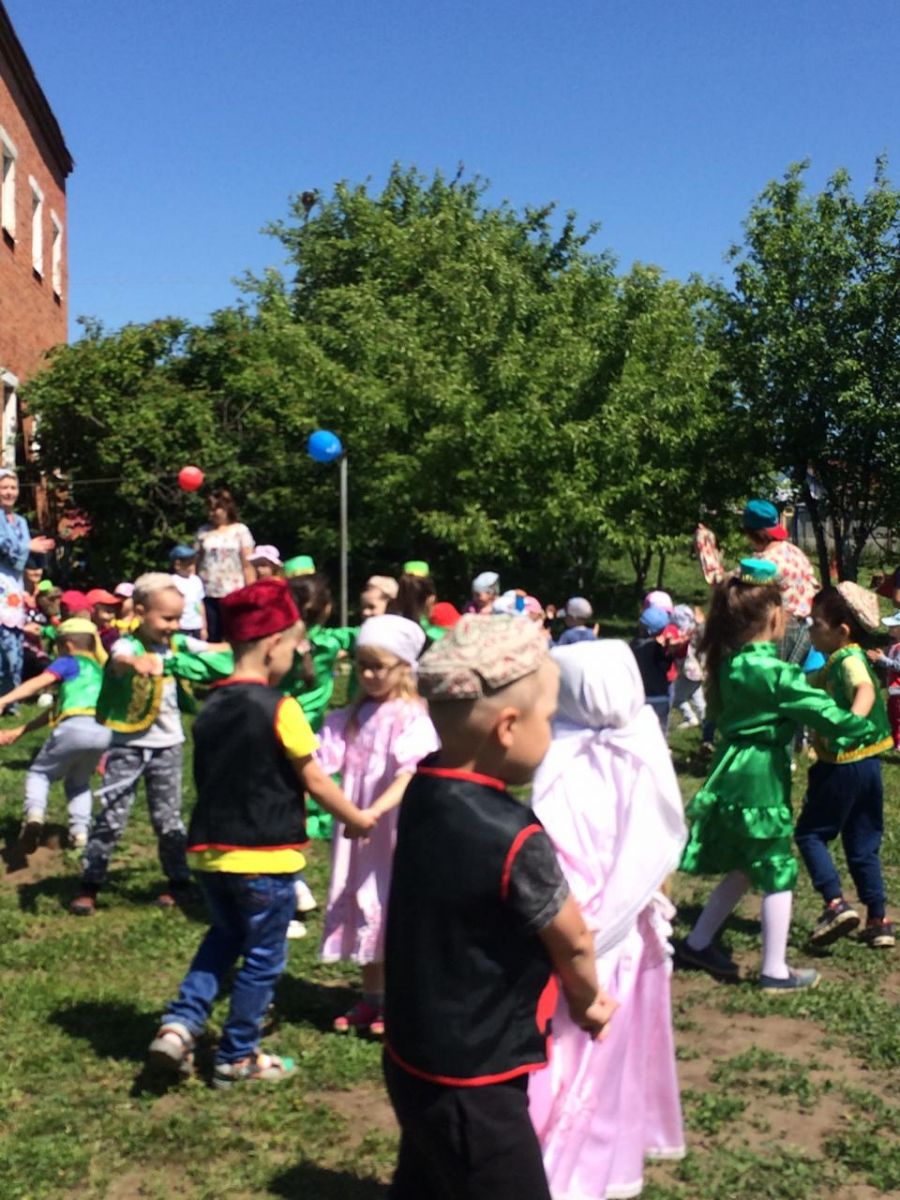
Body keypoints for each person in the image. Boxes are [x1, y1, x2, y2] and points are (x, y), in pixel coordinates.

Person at [383, 615, 617, 1200]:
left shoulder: (421, 789)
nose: (551, 730)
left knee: (429, 1177)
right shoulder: (514, 835)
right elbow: (573, 939)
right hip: (477, 1078)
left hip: (411, 1051)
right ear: (508, 727)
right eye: (549, 718)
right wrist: (589, 1001)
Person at [146, 577, 377, 1088]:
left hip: (210, 854)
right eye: (295, 646)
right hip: (264, 856)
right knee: (264, 957)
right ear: (274, 645)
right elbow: (316, 779)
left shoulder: (210, 705)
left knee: (224, 936)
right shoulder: (282, 708)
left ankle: (179, 1025)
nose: (297, 656)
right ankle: (237, 1054)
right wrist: (357, 818)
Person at [529, 641, 687, 1200]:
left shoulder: (559, 751)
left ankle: (559, 1160)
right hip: (621, 933)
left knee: (570, 1047)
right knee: (602, 1050)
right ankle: (582, 1160)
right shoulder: (641, 742)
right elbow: (661, 844)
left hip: (574, 927)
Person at [676, 560, 877, 992]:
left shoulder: (731, 662)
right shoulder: (773, 672)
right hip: (759, 774)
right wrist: (862, 725)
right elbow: (819, 710)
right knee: (776, 865)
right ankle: (773, 970)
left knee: (747, 864)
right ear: (772, 618)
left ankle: (697, 942)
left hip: (735, 765)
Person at [69, 573, 231, 916]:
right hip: (127, 746)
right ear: (141, 612)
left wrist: (246, 646)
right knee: (112, 815)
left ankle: (179, 881)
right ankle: (90, 882)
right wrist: (134, 663)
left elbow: (214, 650)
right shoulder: (128, 645)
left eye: (178, 618)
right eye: (167, 618)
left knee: (168, 818)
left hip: (168, 746)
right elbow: (118, 658)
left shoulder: (177, 645)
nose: (174, 626)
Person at [319, 614, 439, 1036]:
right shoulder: (351, 717)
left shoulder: (412, 717)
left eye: (378, 667)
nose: (368, 675)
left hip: (393, 828)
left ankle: (400, 999)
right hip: (358, 830)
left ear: (404, 667)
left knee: (393, 903)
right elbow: (321, 764)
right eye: (363, 666)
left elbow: (410, 773)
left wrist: (373, 812)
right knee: (363, 897)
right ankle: (373, 997)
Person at [795, 584, 895, 950]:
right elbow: (804, 686)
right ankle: (879, 920)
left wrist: (849, 724)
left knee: (810, 833)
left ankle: (835, 903)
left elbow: (865, 690)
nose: (810, 629)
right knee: (863, 842)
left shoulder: (849, 660)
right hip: (868, 766)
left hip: (841, 766)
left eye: (816, 623)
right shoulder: (835, 662)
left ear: (842, 630)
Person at [0, 618, 111, 851]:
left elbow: (39, 682)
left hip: (74, 727)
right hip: (103, 732)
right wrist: (20, 731)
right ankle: (80, 833)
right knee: (79, 782)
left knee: (40, 774)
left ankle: (34, 816)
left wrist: (5, 699)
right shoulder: (100, 670)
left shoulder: (69, 662)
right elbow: (57, 710)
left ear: (67, 645)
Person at [696, 498, 819, 664]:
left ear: (758, 533)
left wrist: (704, 542)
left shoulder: (764, 565)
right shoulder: (796, 553)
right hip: (807, 631)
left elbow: (722, 583)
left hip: (780, 631)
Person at [0, 468, 55, 694]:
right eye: (4, 487)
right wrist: (27, 546)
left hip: (14, 586)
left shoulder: (21, 521)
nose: (9, 492)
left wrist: (31, 548)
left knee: (14, 644)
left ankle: (10, 698)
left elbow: (20, 558)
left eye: (13, 487)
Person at [195, 487, 255, 639]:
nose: (212, 513)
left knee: (235, 633)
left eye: (216, 509)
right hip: (208, 592)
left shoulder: (240, 530)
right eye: (210, 509)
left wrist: (251, 591)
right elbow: (196, 561)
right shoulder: (203, 532)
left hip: (234, 591)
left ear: (226, 508)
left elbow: (248, 564)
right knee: (212, 634)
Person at [630, 604, 674, 734]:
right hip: (659, 696)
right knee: (660, 732)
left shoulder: (633, 645)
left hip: (639, 696)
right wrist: (669, 650)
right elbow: (666, 666)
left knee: (639, 732)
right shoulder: (657, 648)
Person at [868, 610, 900, 750]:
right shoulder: (894, 646)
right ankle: (894, 740)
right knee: (892, 716)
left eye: (893, 626)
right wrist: (879, 658)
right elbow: (889, 664)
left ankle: (898, 743)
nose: (889, 628)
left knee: (898, 717)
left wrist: (882, 658)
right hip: (893, 690)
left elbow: (897, 666)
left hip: (898, 690)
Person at [672, 604, 706, 728]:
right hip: (697, 671)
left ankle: (691, 717)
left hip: (689, 672)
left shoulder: (683, 634)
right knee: (698, 698)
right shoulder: (694, 630)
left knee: (676, 698)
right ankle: (706, 722)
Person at [169, 546, 208, 639]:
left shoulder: (196, 580)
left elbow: (200, 604)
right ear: (177, 565)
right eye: (189, 564)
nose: (192, 566)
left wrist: (204, 627)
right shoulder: (172, 581)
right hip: (181, 625)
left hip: (196, 625)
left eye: (193, 563)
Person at [85, 587, 123, 653]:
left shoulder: (111, 635)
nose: (113, 616)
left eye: (114, 611)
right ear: (92, 611)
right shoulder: (82, 632)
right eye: (108, 611)